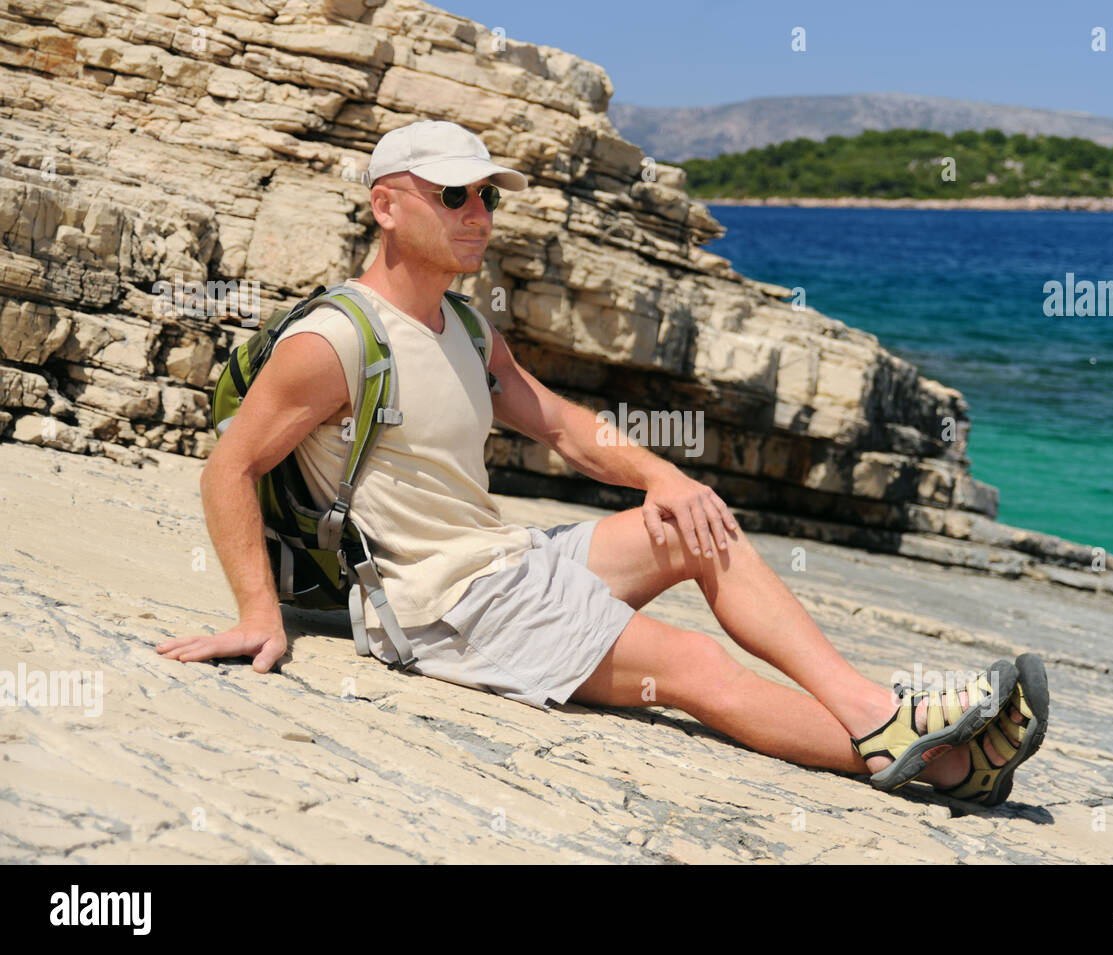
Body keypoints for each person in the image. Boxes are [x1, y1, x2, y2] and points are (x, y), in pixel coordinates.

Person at [158, 120, 1048, 806]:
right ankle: (944, 761)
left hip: (507, 562)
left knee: (696, 526)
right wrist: (255, 613)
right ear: (387, 205)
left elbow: (566, 428)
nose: (481, 216)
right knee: (694, 672)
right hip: (444, 606)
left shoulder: (466, 327)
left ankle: (876, 715)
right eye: (457, 196)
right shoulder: (335, 341)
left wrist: (667, 477)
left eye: (489, 199)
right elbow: (226, 468)